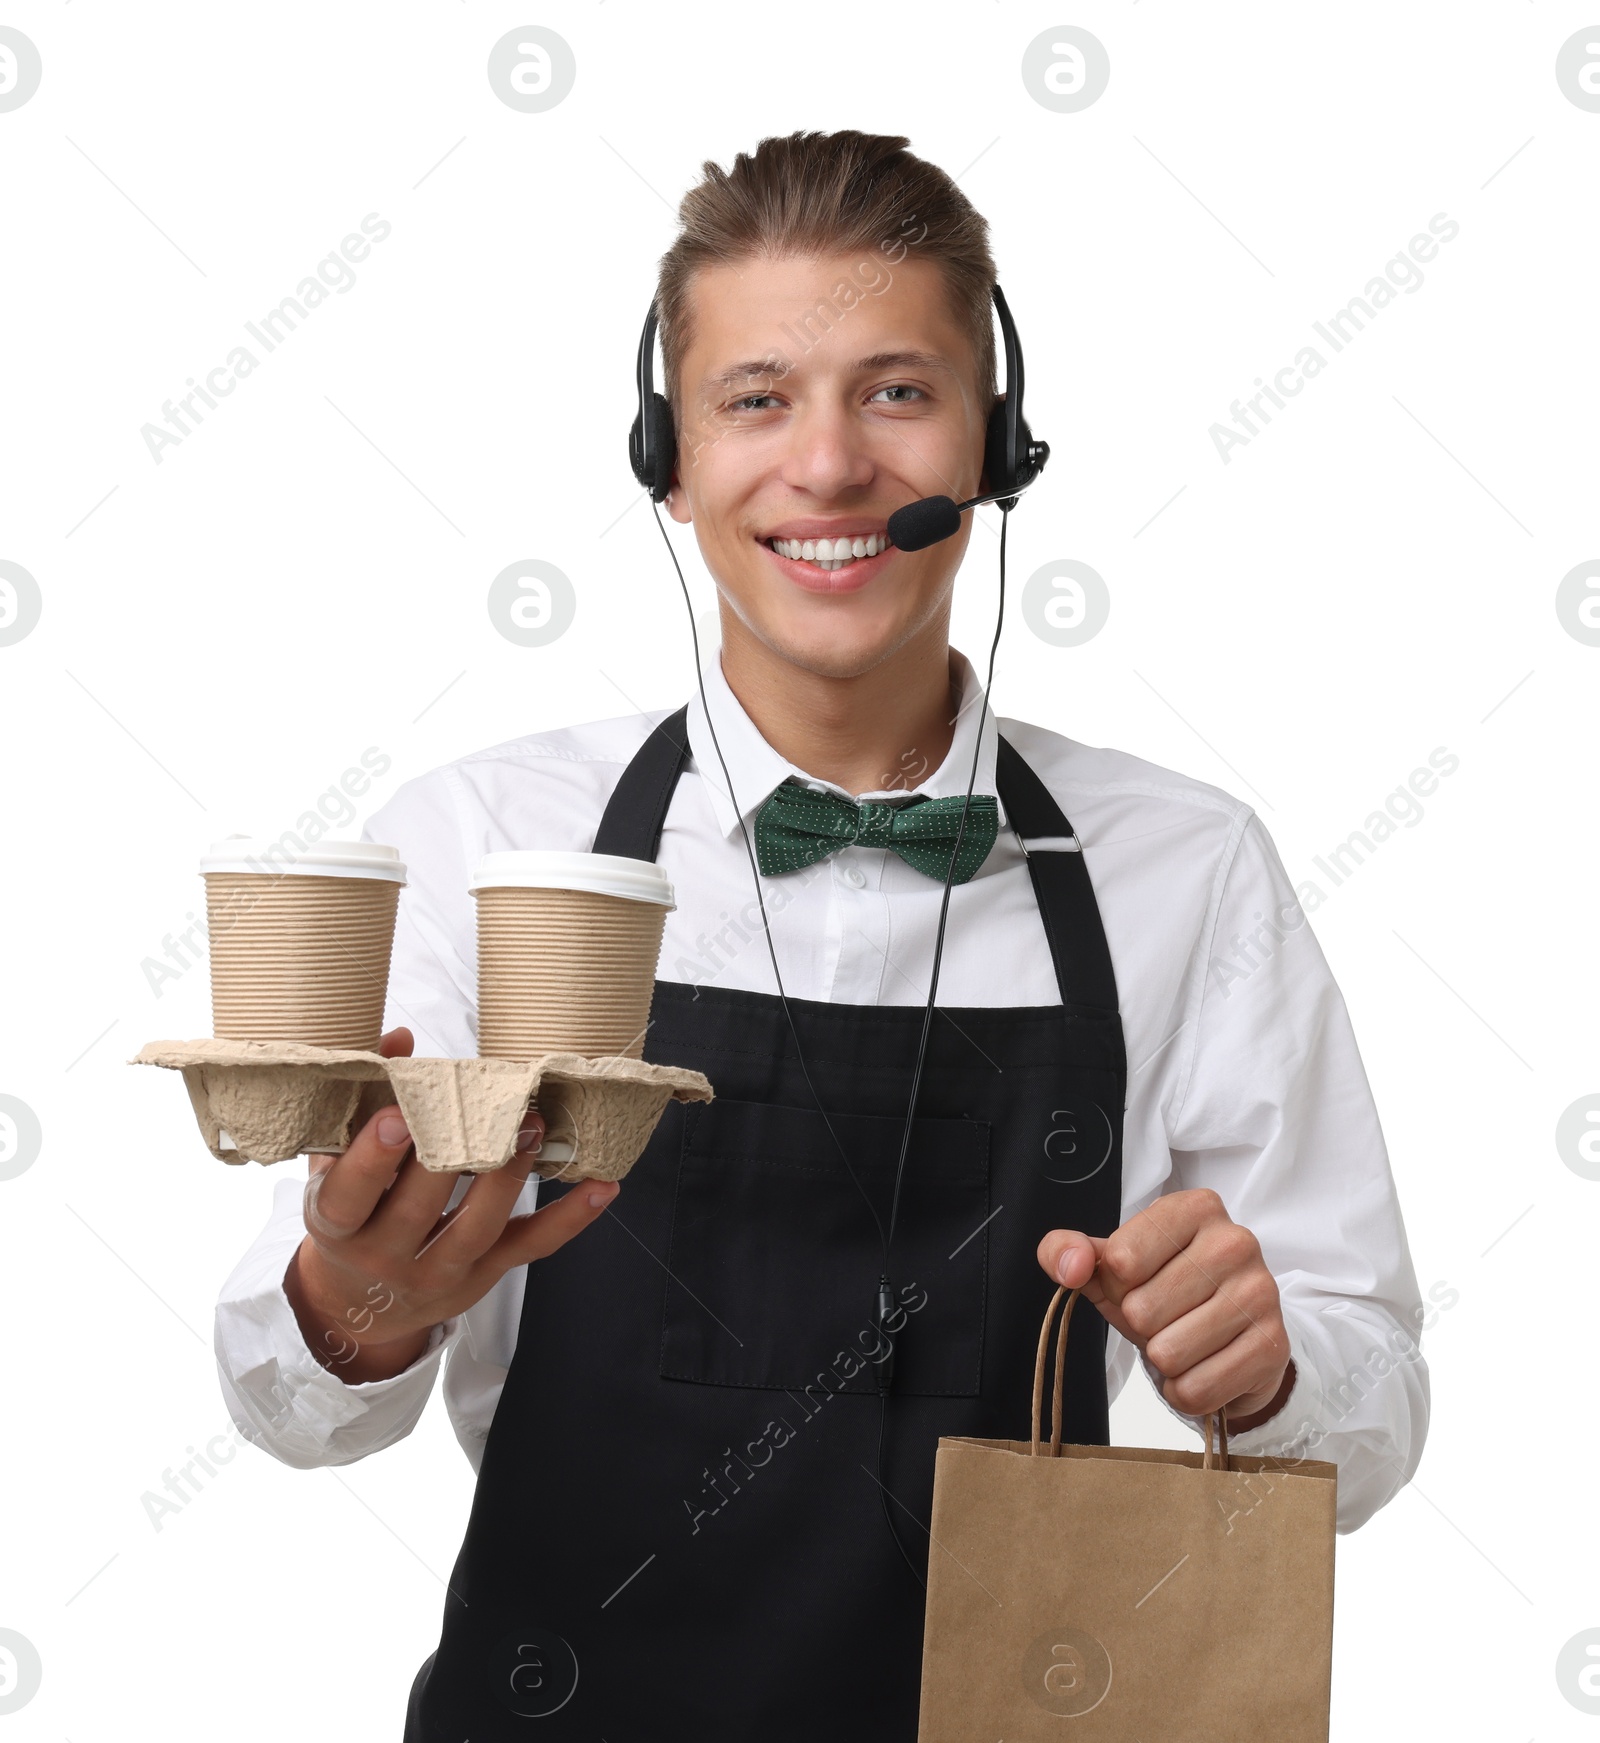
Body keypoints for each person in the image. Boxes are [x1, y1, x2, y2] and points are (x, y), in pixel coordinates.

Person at [214, 130, 1428, 1738]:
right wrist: (357, 1297)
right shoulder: (485, 848)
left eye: (900, 391)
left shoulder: (1185, 871)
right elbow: (299, 1421)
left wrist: (1270, 1374)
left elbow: (1377, 1419)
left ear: (996, 447)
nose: (832, 467)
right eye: (758, 398)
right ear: (670, 458)